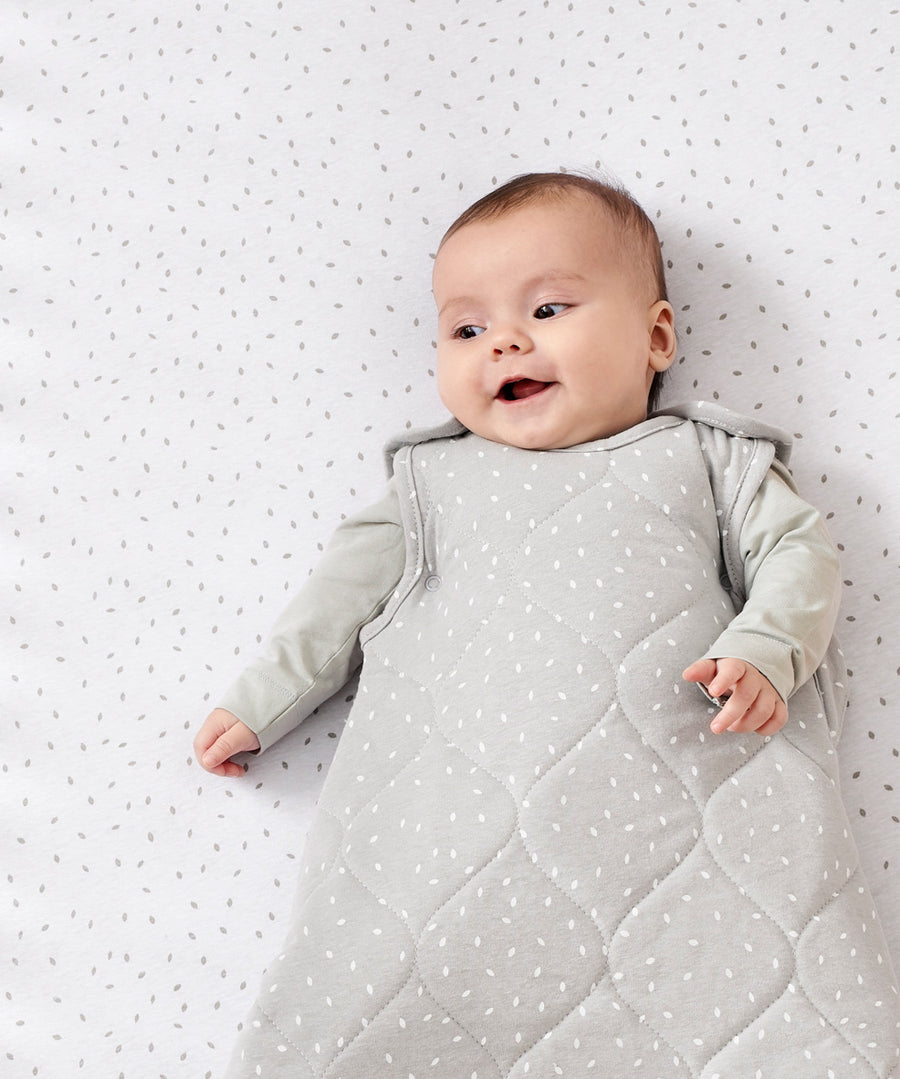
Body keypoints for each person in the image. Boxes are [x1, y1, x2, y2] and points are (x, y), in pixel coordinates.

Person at [194, 173, 900, 1076]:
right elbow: (333, 604)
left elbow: (801, 559)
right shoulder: (429, 486)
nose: (506, 343)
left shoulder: (710, 458)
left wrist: (768, 646)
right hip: (453, 820)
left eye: (551, 306)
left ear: (656, 337)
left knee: (760, 963)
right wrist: (263, 700)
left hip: (686, 795)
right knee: (385, 960)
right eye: (466, 329)